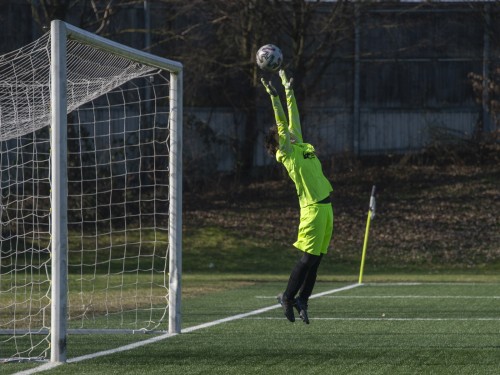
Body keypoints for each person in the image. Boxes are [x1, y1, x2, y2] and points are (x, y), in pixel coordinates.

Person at [261, 70, 333, 324]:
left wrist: (288, 89)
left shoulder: (300, 145)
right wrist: (274, 96)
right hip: (312, 209)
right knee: (308, 258)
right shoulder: (289, 154)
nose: (290, 132)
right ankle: (288, 297)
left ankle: (303, 298)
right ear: (280, 144)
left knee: (317, 259)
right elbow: (282, 122)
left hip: (326, 207)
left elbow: (293, 119)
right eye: (285, 135)